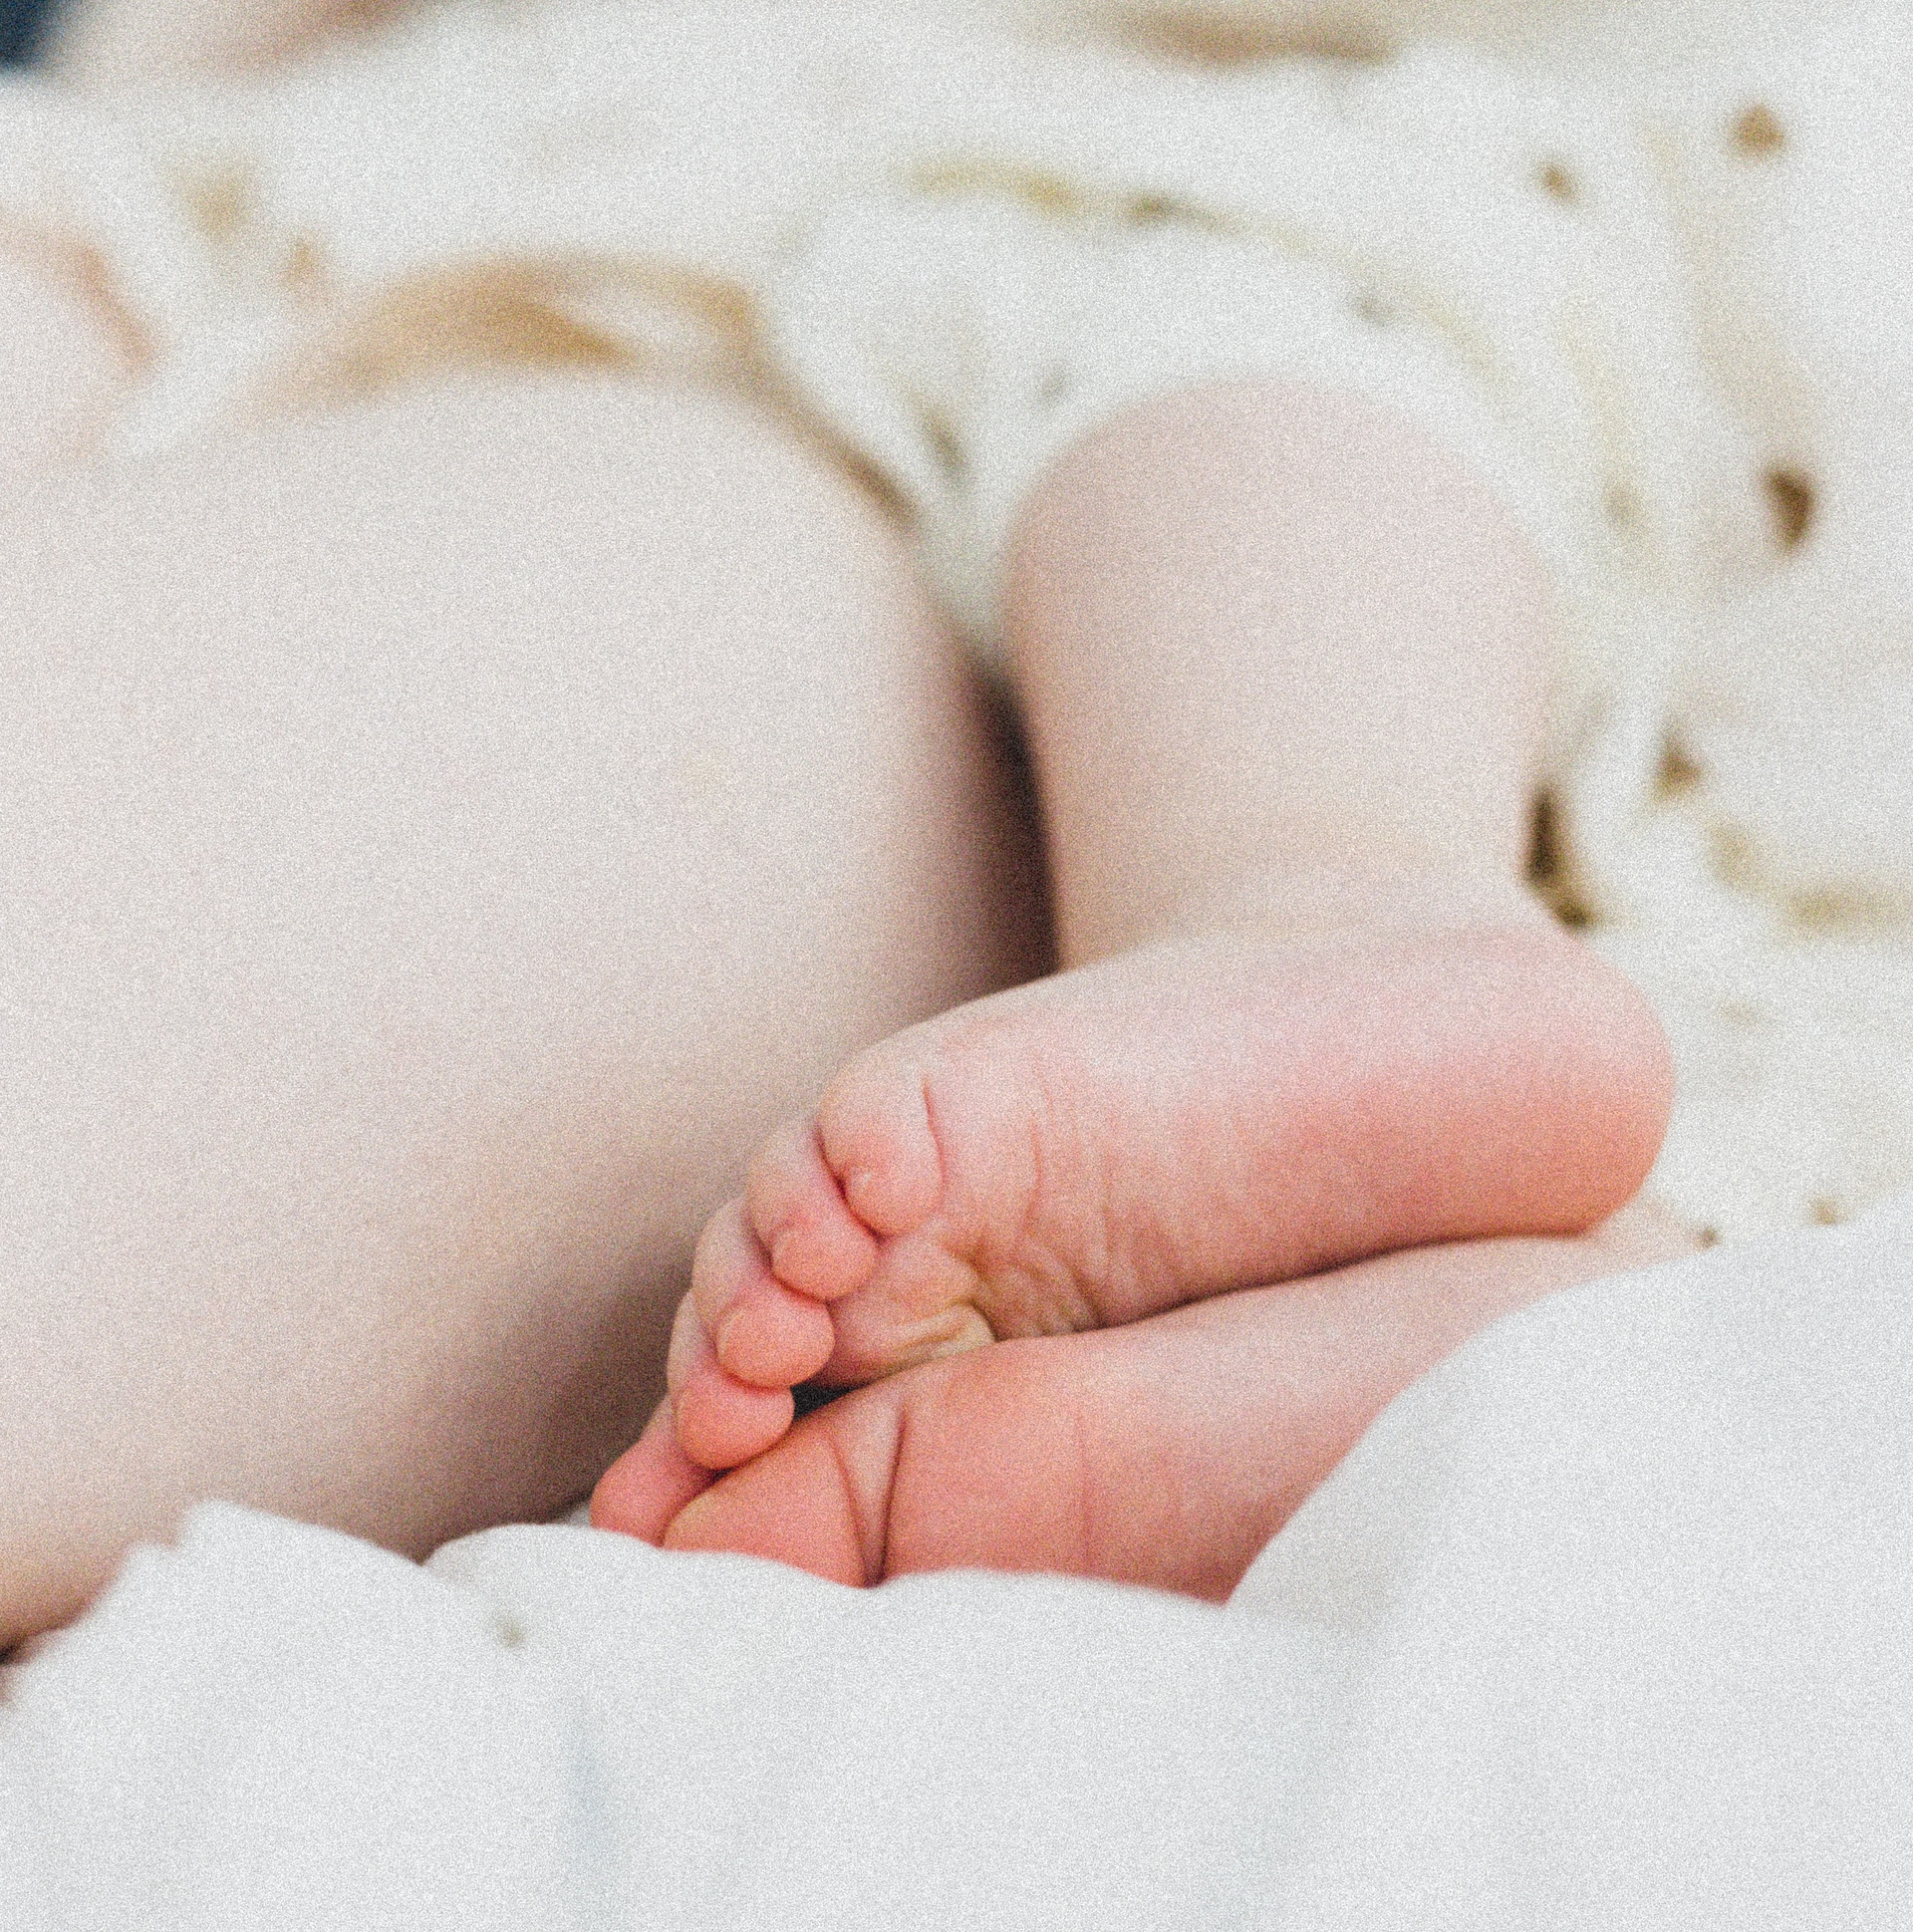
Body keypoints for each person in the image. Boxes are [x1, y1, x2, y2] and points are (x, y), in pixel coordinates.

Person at [0, 0, 1705, 1649]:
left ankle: (1339, 930)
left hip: (992, 201)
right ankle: (1345, 1009)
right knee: (1255, 338)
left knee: (1255, 329)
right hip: (426, 191)